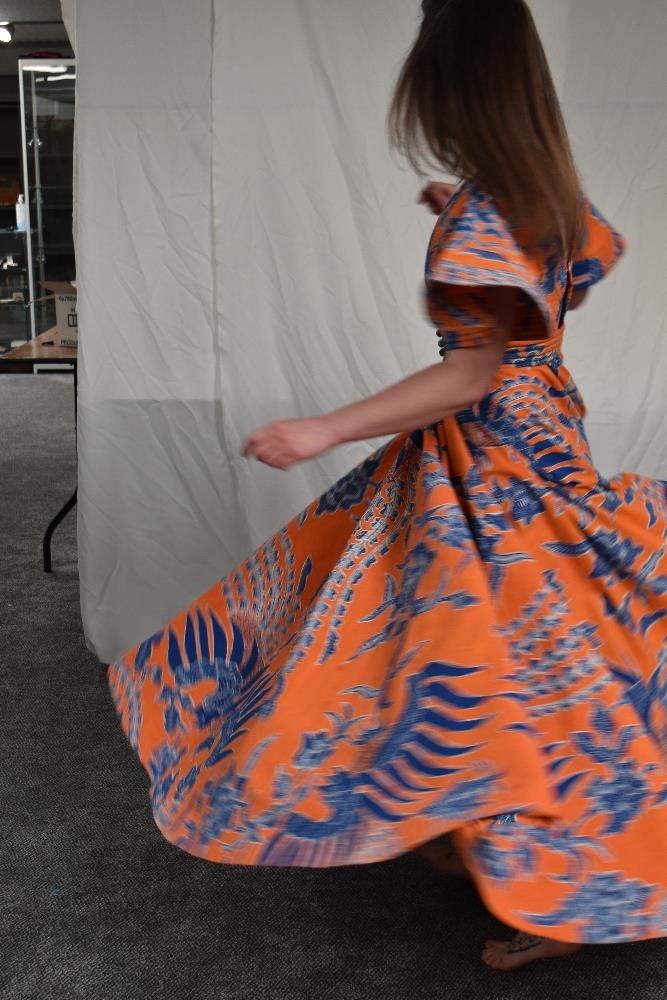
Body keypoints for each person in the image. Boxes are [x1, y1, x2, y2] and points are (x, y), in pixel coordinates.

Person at [107, 0, 667, 972]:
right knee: (488, 636)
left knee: (505, 646)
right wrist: (455, 212)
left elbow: (472, 370)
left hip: (497, 455)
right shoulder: (536, 190)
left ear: (457, 91)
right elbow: (543, 295)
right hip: (536, 431)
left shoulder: (493, 212)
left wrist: (324, 426)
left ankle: (559, 884)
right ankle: (479, 815)